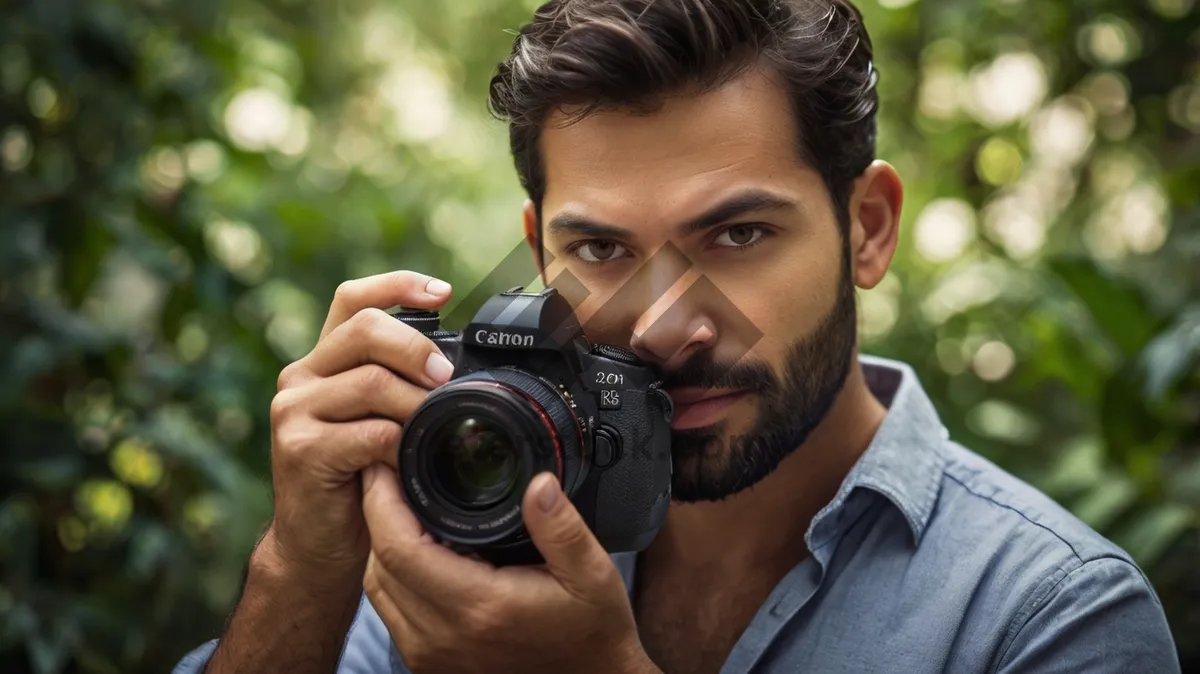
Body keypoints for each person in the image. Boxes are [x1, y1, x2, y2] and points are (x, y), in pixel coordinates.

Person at [174, 0, 1182, 672]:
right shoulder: (472, 514)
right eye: (602, 248)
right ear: (538, 250)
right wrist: (299, 572)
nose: (667, 322)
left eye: (738, 233)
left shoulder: (1050, 613)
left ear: (867, 228)